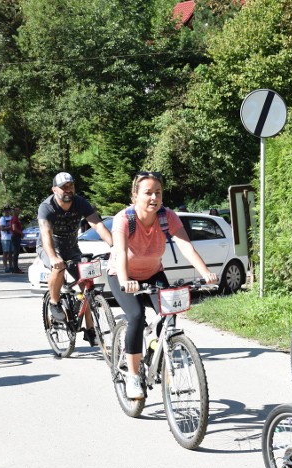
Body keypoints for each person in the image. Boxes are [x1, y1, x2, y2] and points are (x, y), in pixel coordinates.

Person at [107, 171, 219, 400]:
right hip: (122, 274)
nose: (153, 198)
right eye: (147, 193)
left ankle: (159, 352)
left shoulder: (167, 216)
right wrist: (125, 280)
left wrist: (205, 272)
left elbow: (186, 246)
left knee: (170, 314)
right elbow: (120, 253)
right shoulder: (124, 219)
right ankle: (133, 376)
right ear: (135, 196)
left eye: (158, 193)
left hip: (153, 273)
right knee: (136, 316)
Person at [37, 171, 113, 345]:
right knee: (59, 267)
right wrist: (53, 257)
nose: (68, 190)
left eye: (70, 186)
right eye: (64, 187)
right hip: (49, 246)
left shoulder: (80, 203)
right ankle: (55, 303)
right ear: (54, 189)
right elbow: (45, 234)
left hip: (71, 247)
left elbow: (98, 225)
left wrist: (114, 246)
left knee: (86, 283)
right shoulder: (47, 207)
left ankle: (90, 328)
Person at [0, 206, 15, 273]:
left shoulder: (12, 218)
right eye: (5, 210)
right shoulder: (2, 219)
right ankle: (5, 267)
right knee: (5, 252)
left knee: (11, 253)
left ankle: (11, 266)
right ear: (4, 211)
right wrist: (11, 227)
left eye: (8, 210)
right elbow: (2, 228)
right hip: (5, 238)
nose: (7, 211)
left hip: (12, 237)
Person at [10, 206, 23, 273]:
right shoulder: (14, 218)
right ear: (14, 211)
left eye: (19, 210)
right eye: (17, 210)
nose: (18, 212)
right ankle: (15, 268)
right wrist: (21, 233)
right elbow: (14, 228)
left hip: (17, 236)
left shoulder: (17, 218)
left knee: (16, 253)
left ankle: (15, 267)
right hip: (15, 236)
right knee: (16, 253)